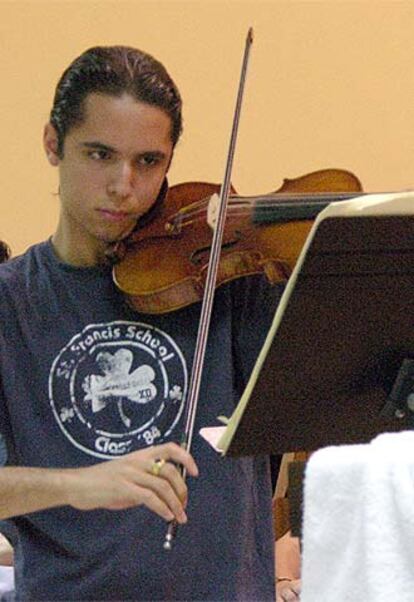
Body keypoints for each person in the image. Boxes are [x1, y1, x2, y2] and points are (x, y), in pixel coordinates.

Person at [0, 46, 285, 601]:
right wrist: (81, 485)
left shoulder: (225, 284)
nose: (124, 186)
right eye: (100, 155)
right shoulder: (10, 303)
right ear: (53, 144)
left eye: (148, 161)